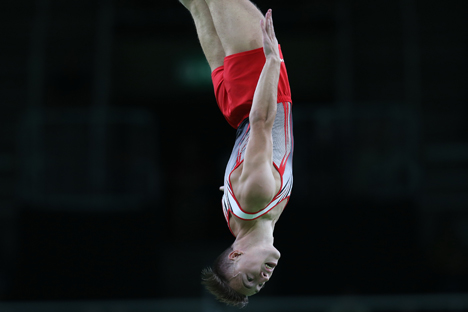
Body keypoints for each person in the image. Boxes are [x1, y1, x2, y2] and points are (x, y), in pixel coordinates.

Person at [179, 0, 293, 307]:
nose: (263, 279)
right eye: (258, 286)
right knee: (196, 5)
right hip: (234, 108)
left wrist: (271, 61)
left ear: (236, 254)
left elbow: (262, 123)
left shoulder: (257, 197)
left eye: (249, 278)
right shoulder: (237, 220)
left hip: (256, 92)